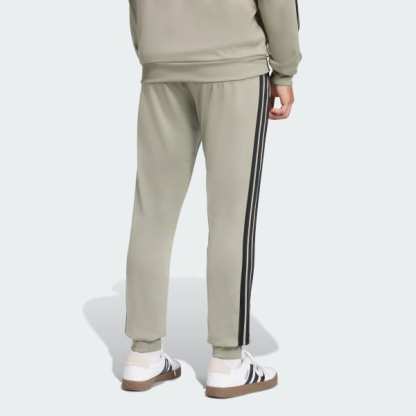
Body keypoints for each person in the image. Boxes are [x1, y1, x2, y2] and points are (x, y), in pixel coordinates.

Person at [122, 0, 301, 398]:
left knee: (152, 213)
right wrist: (285, 68)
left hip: (162, 67)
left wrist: (154, 52)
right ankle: (227, 361)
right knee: (231, 218)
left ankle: (142, 355)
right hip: (234, 66)